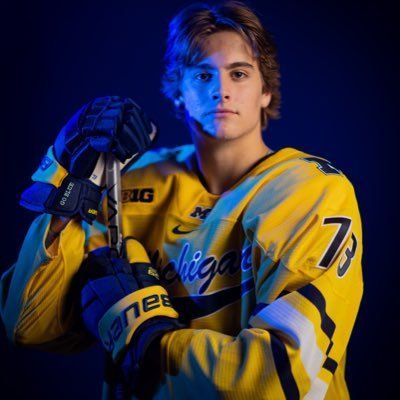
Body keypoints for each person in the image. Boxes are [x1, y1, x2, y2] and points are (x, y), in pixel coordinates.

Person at [0, 1, 363, 399]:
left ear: (265, 90)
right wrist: (69, 178)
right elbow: (29, 325)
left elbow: (277, 380)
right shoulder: (128, 181)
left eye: (238, 73)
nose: (220, 89)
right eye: (203, 74)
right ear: (178, 92)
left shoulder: (309, 191)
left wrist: (147, 339)